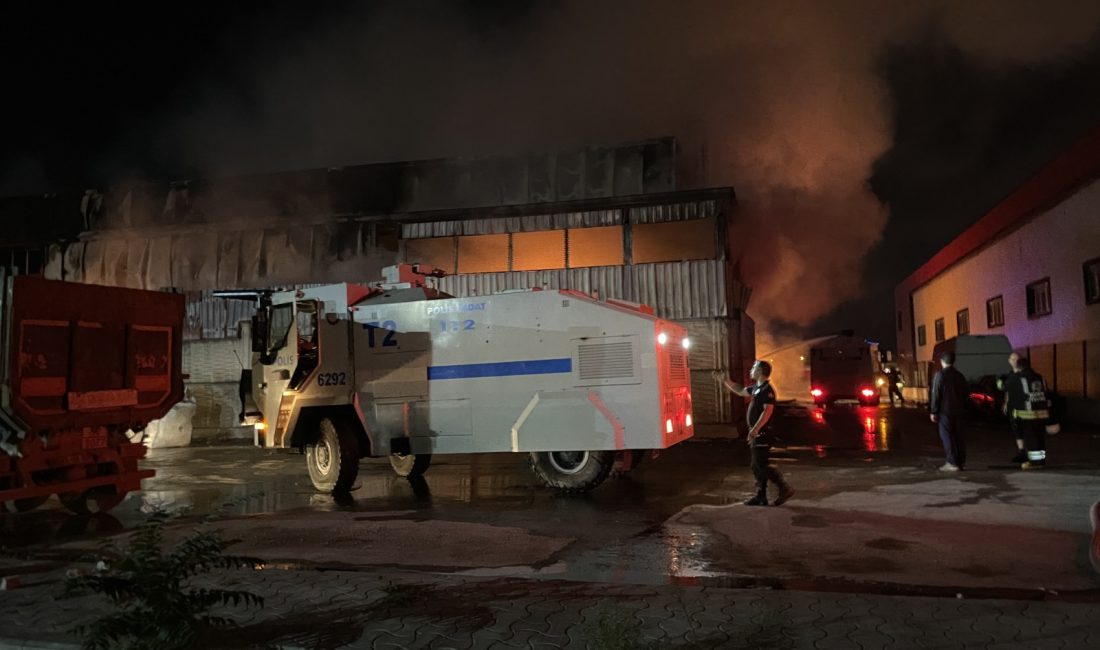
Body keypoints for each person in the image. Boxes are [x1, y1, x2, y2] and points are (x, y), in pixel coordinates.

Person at [717, 360, 795, 506]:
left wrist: (755, 430)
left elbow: (767, 411)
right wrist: (725, 381)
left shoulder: (767, 390)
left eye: (754, 367)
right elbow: (740, 391)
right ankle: (761, 496)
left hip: (762, 434)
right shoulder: (757, 388)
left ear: (760, 371)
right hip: (757, 433)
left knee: (760, 464)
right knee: (756, 465)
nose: (751, 370)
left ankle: (784, 488)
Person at [1003, 355, 1050, 470]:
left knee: (1031, 439)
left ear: (1018, 367)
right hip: (1042, 413)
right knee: (1040, 439)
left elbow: (1012, 397)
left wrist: (1011, 411)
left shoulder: (1016, 378)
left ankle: (1035, 462)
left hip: (1027, 414)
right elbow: (1047, 394)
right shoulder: (1039, 377)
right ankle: (1041, 460)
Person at [929, 350, 969, 471]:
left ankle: (952, 462)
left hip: (945, 411)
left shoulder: (940, 375)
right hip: (960, 411)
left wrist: (934, 411)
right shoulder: (960, 375)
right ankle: (961, 462)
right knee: (959, 437)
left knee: (946, 436)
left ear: (942, 362)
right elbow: (966, 394)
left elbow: (936, 394)